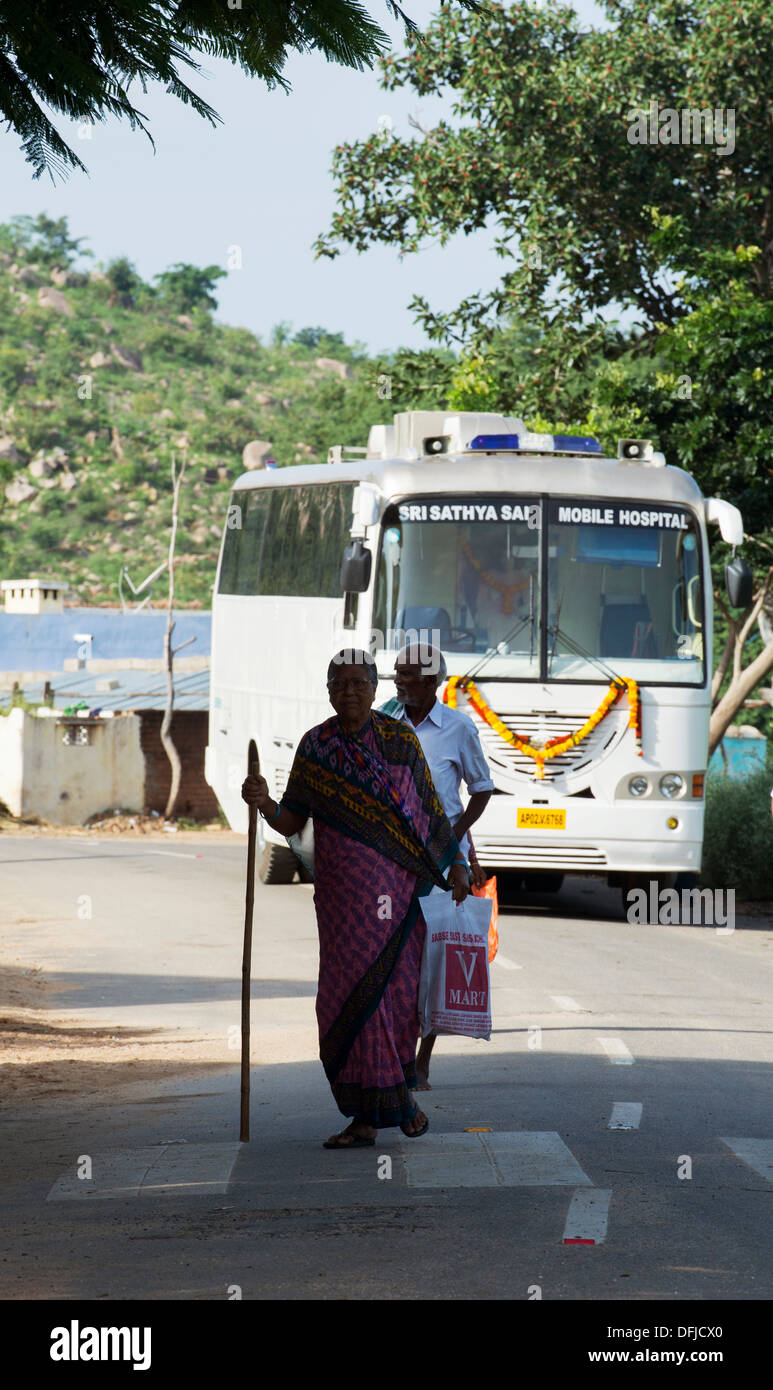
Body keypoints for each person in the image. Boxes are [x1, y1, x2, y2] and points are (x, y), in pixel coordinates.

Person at [241, 648, 469, 1149]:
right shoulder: (316, 746)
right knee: (342, 1002)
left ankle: (384, 1113)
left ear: (374, 687)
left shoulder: (398, 742)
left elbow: (430, 814)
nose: (349, 691)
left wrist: (458, 864)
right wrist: (263, 805)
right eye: (339, 683)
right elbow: (292, 821)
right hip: (342, 902)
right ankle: (375, 1114)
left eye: (358, 682)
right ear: (328, 691)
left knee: (392, 1001)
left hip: (397, 898)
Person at [380, 642, 494, 1089]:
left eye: (406, 675)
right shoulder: (384, 722)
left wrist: (458, 844)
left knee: (433, 958)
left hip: (442, 863)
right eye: (395, 674)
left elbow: (481, 789)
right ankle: (392, 1053)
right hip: (391, 856)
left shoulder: (458, 728)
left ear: (432, 682)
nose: (397, 682)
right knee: (391, 955)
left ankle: (420, 1060)